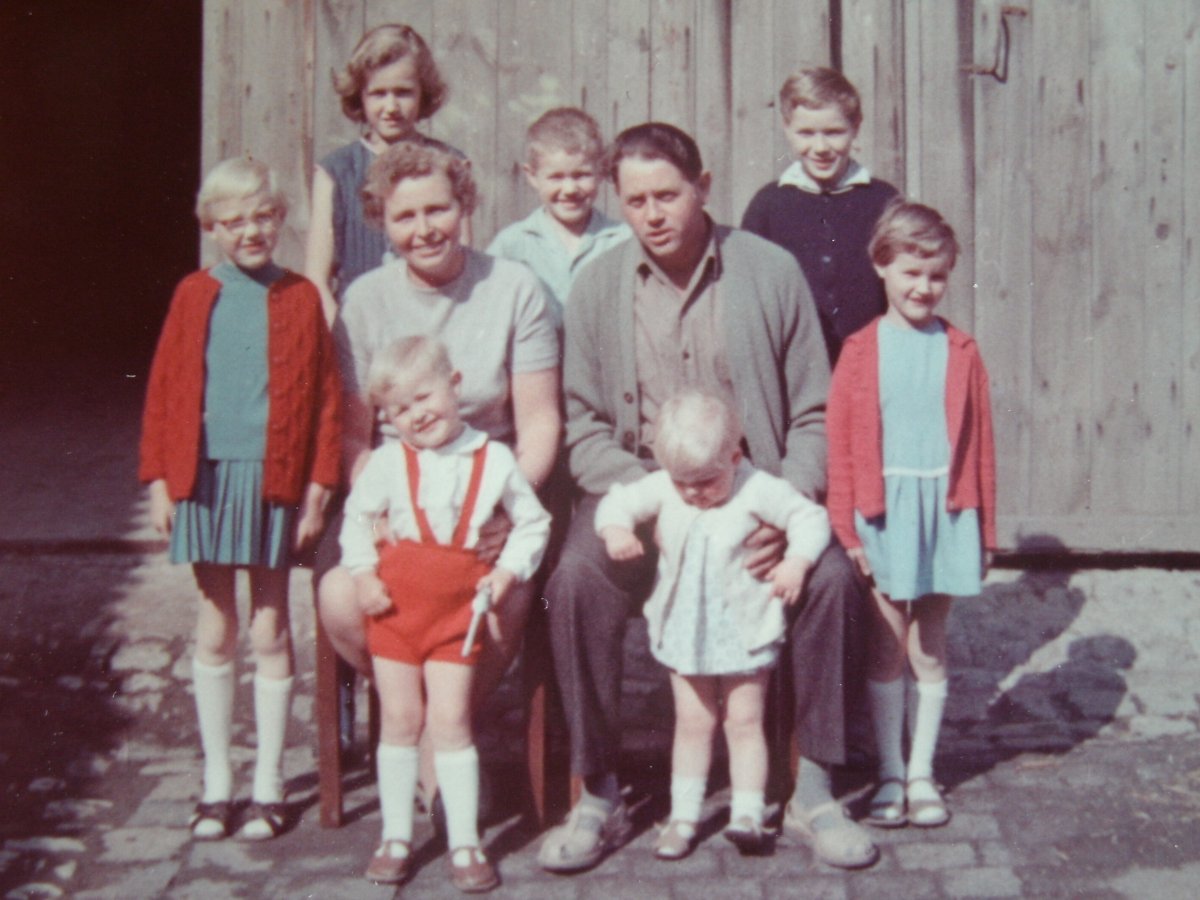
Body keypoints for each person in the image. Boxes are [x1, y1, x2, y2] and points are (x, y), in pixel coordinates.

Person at [538, 122, 877, 873]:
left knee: (829, 579)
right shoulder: (598, 285)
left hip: (752, 490)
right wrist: (647, 504)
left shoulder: (769, 271)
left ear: (703, 187)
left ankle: (815, 789)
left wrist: (782, 505)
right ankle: (598, 791)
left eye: (667, 195)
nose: (653, 214)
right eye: (635, 201)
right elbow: (583, 424)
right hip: (640, 493)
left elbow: (814, 411)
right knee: (576, 579)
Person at [315, 140, 561, 738]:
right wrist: (382, 511)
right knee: (342, 597)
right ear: (382, 222)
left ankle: (439, 732)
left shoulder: (514, 287)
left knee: (508, 598)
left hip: (487, 491)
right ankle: (429, 722)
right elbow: (355, 435)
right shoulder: (364, 300)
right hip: (393, 495)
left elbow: (540, 423)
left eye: (438, 210)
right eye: (405, 216)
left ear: (464, 206)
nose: (424, 229)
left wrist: (501, 506)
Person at [139, 157, 342, 841]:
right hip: (205, 479)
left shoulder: (301, 297)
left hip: (274, 480)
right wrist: (161, 481)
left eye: (261, 217)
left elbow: (327, 402)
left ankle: (269, 785)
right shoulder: (194, 294)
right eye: (233, 222)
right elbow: (164, 388)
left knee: (271, 626)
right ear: (212, 228)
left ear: (279, 219)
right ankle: (218, 782)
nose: (250, 231)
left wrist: (317, 491)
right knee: (216, 623)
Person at [342, 336, 549, 888]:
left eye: (423, 397)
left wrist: (508, 571)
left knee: (451, 720)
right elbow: (356, 519)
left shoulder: (493, 459)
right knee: (400, 720)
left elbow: (533, 523)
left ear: (454, 385)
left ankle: (464, 842)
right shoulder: (388, 462)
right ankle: (395, 836)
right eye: (399, 409)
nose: (416, 415)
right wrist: (362, 575)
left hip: (459, 615)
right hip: (395, 611)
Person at [595, 390, 830, 860]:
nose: (692, 493)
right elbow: (617, 502)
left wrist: (797, 562)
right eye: (682, 483)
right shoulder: (665, 487)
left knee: (744, 721)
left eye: (705, 481)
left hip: (745, 630)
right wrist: (616, 529)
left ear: (735, 457)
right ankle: (683, 817)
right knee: (693, 723)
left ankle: (747, 813)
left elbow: (810, 517)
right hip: (685, 631)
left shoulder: (756, 487)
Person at [826, 199, 996, 830]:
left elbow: (982, 448)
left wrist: (985, 529)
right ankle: (890, 774)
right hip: (884, 516)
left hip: (946, 514)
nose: (923, 287)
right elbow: (841, 446)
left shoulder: (962, 350)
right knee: (886, 648)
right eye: (911, 273)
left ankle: (922, 773)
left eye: (936, 275)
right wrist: (847, 527)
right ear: (881, 267)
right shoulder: (860, 351)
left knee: (930, 648)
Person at [306, 23, 470, 324]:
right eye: (378, 94)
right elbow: (316, 279)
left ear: (423, 93)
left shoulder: (451, 163)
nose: (391, 107)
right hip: (358, 326)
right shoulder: (335, 171)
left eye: (403, 93)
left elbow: (464, 262)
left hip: (436, 322)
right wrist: (344, 338)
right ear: (360, 96)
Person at [741, 67, 898, 365]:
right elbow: (750, 294)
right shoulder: (768, 206)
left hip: (871, 364)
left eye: (834, 132)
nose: (821, 147)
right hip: (794, 367)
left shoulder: (884, 202)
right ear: (787, 128)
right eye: (806, 133)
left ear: (856, 126)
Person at [486, 107, 628, 306]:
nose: (570, 189)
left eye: (581, 175)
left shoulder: (622, 240)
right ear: (532, 176)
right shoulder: (512, 245)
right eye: (556, 177)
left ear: (600, 172)